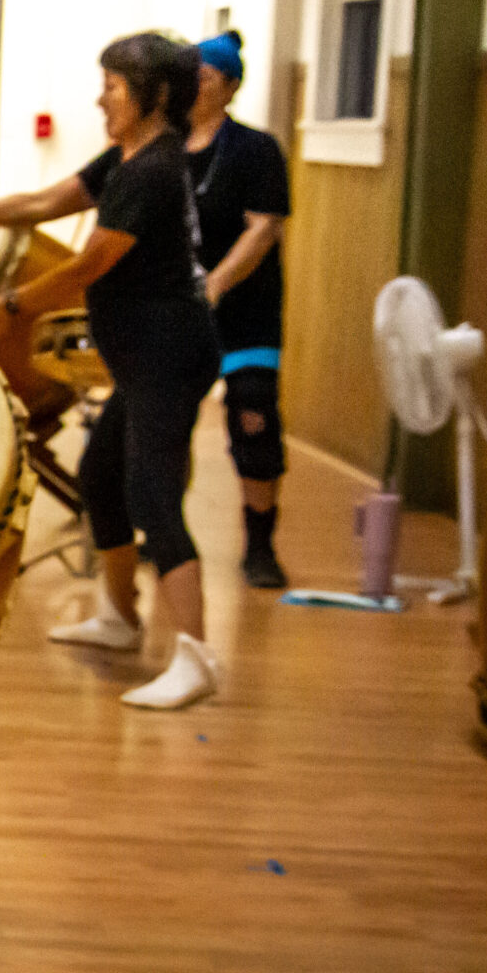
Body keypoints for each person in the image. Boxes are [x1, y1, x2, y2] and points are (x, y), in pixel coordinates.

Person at [0, 32, 223, 710]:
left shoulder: (152, 172)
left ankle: (198, 656)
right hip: (143, 352)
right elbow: (46, 202)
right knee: (99, 476)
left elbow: (92, 263)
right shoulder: (129, 157)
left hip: (168, 351)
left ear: (151, 96)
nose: (101, 97)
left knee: (153, 493)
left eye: (114, 86)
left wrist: (12, 305)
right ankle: (121, 620)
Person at [186, 30, 292, 588]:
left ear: (229, 85)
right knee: (165, 422)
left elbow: (264, 228)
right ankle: (164, 535)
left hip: (245, 311)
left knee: (253, 417)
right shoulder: (162, 146)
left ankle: (260, 548)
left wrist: (216, 284)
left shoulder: (256, 150)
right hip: (178, 312)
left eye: (205, 76)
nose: (194, 85)